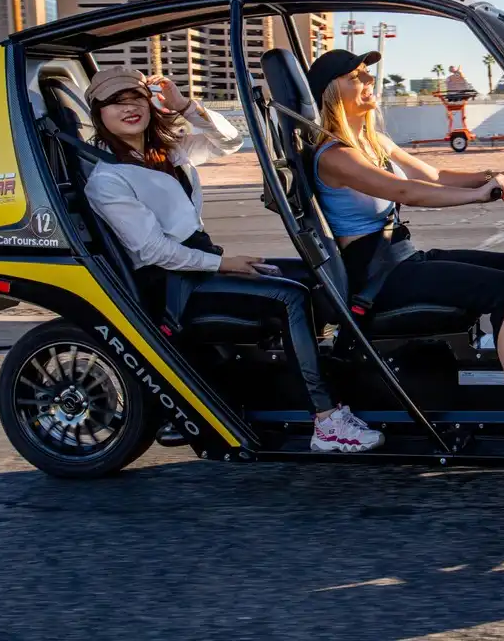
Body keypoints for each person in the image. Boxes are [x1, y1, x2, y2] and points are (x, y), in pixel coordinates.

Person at [82, 65, 383, 452]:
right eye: (116, 102)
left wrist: (184, 105)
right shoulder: (108, 179)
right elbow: (153, 251)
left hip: (202, 265)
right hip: (174, 284)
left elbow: (229, 140)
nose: (129, 108)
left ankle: (324, 381)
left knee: (318, 277)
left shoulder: (168, 151)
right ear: (99, 114)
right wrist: (226, 264)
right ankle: (326, 421)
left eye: (136, 98)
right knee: (289, 296)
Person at [306, 49, 504, 450]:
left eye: (367, 74)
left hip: (402, 256)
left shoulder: (373, 140)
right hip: (376, 276)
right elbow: (408, 191)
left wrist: (496, 175)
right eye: (355, 77)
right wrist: (479, 195)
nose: (368, 81)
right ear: (331, 93)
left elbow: (435, 174)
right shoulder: (335, 155)